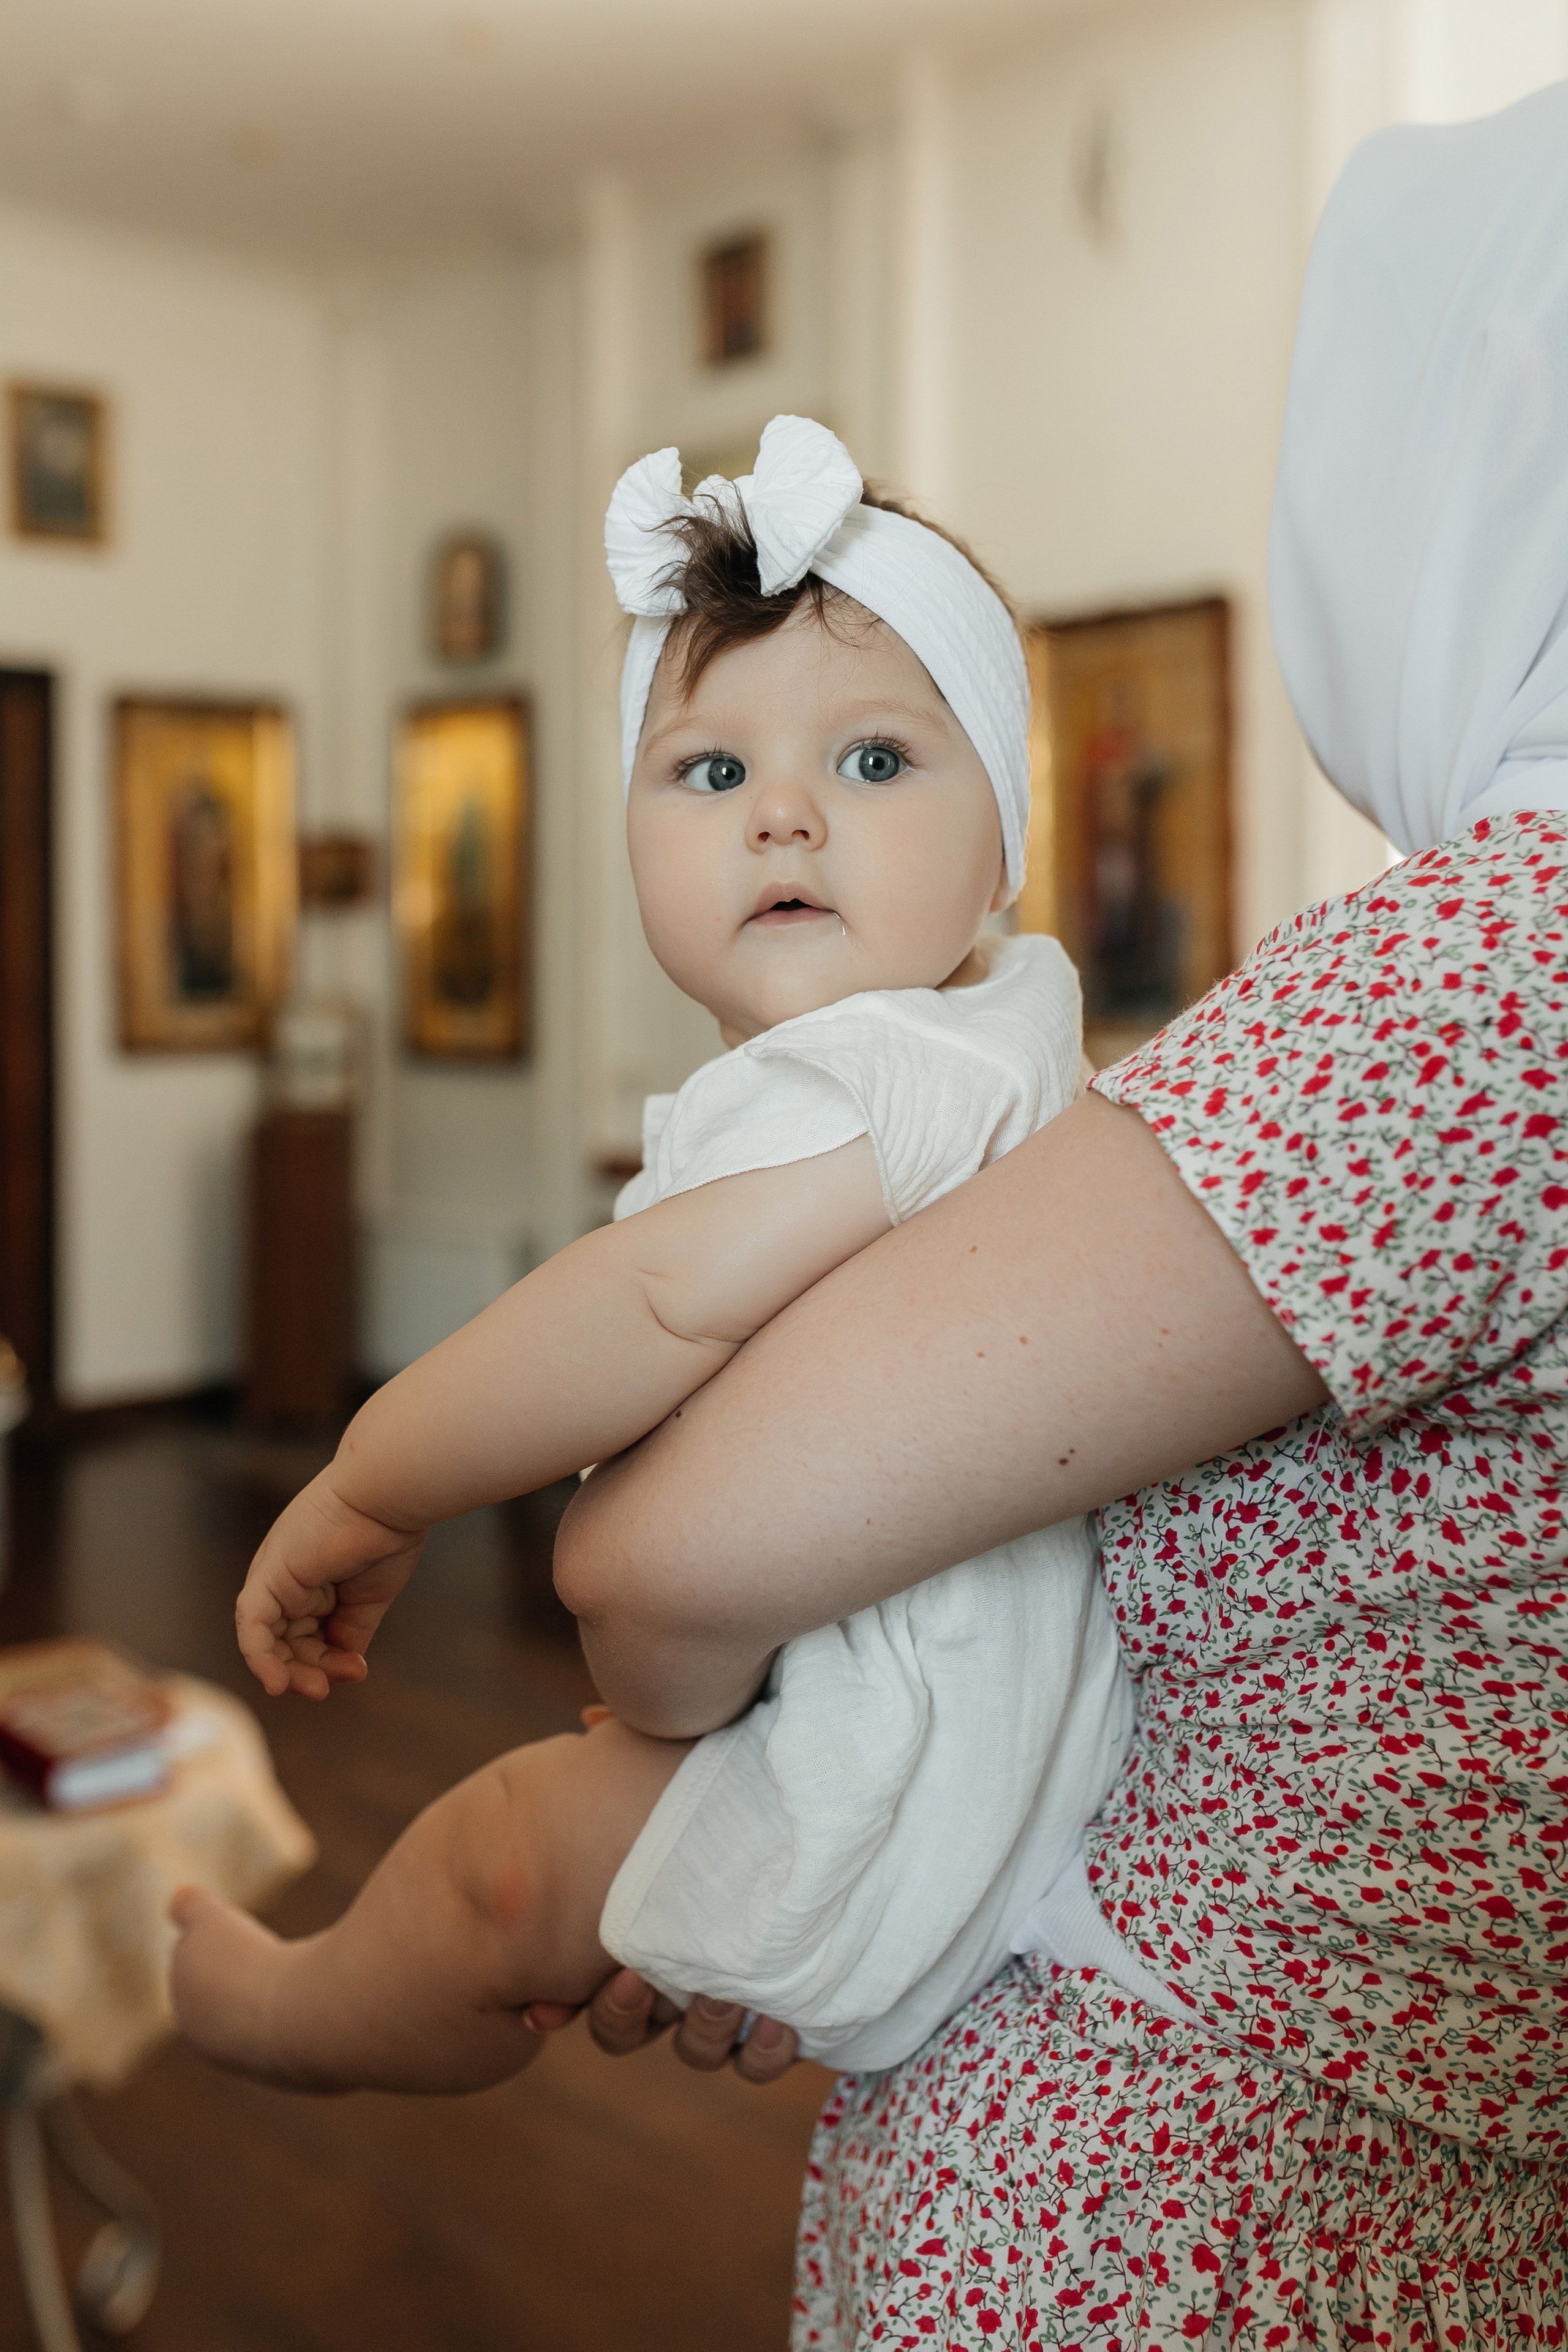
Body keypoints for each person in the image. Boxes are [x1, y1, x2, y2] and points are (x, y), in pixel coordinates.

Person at [552, 86, 1568, 2349]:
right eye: (714, 773)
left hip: (1157, 2223)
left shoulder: (1505, 969)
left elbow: (653, 1555)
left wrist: (723, 1803)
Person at [168, 417, 1136, 2090]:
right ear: (630, 841)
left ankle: (284, 2017)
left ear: (1010, 846)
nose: (784, 821)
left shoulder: (894, 1072)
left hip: (906, 1769)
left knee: (508, 1865)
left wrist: (372, 1481)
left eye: (877, 762)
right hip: (973, 1743)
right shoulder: (1003, 1042)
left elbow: (651, 1301)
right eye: (713, 772)